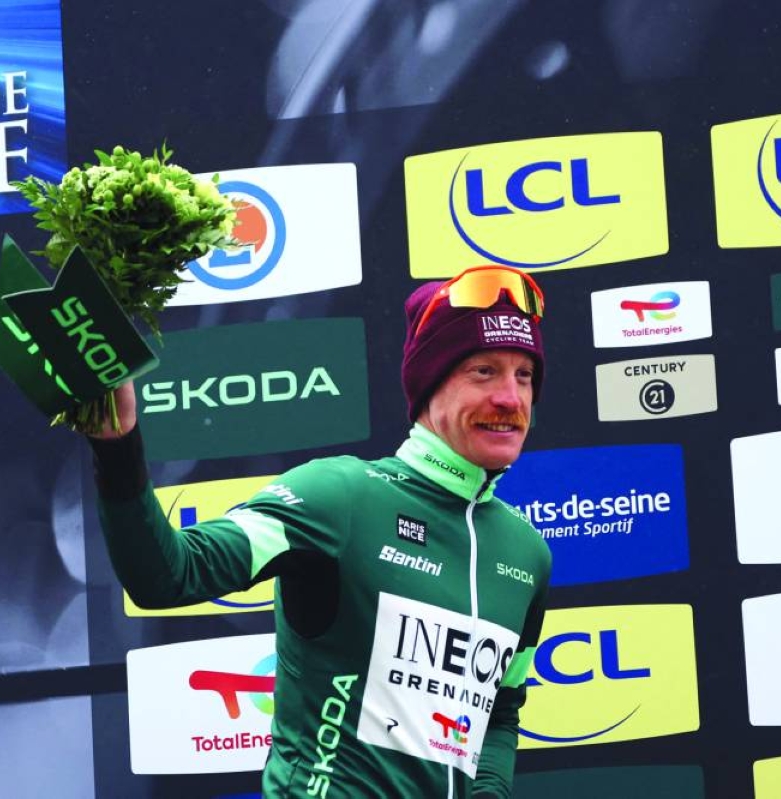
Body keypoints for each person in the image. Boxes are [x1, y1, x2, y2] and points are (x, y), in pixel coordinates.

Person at [89, 265, 552, 797]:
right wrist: (117, 448)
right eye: (483, 371)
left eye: (524, 376)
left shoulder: (526, 553)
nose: (511, 399)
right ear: (430, 386)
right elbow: (168, 574)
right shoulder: (341, 497)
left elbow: (499, 713)